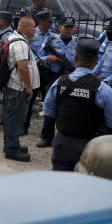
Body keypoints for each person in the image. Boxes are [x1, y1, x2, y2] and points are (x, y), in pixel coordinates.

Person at [40, 38, 112, 171]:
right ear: (96, 61)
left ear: (75, 57)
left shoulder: (59, 83)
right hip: (91, 147)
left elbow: (48, 111)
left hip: (62, 145)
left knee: (60, 185)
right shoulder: (103, 89)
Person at [2, 17, 40, 162]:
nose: (35, 29)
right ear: (24, 26)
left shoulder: (18, 39)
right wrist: (29, 87)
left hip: (16, 86)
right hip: (18, 87)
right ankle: (11, 149)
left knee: (12, 116)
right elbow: (23, 66)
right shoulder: (20, 43)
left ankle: (12, 144)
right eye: (32, 26)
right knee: (15, 118)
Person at [36, 17, 78, 148]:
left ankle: (66, 137)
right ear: (60, 27)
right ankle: (47, 137)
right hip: (54, 77)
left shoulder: (77, 43)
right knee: (50, 106)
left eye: (70, 28)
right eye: (66, 27)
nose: (68, 30)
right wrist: (48, 58)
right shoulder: (51, 40)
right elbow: (38, 57)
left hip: (71, 78)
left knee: (70, 107)